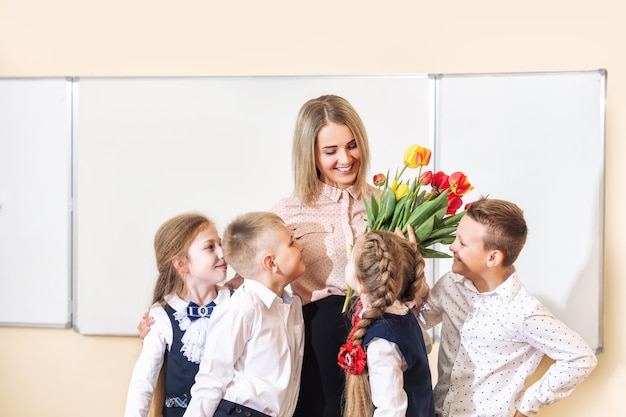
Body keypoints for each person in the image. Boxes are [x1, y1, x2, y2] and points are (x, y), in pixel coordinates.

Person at [419, 197, 598, 417]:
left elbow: (581, 358)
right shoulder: (450, 284)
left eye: (462, 243)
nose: (452, 246)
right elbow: (419, 320)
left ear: (493, 257)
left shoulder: (522, 311)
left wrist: (525, 408)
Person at [183, 211, 306, 417]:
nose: (301, 247)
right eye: (292, 243)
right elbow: (211, 380)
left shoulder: (293, 306)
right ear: (271, 263)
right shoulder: (241, 308)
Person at [125, 213, 231, 417]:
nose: (222, 252)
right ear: (180, 263)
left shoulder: (237, 303)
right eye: (210, 247)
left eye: (220, 244)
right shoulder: (161, 316)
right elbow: (142, 383)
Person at [339, 230, 435, 417]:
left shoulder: (382, 343)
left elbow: (391, 410)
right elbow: (425, 347)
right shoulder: (404, 313)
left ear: (361, 284)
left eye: (351, 259)